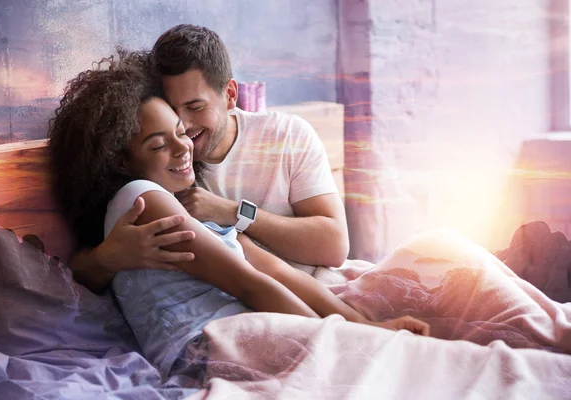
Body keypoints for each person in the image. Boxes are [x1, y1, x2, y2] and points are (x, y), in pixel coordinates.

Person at [48, 49, 429, 386]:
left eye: (183, 128)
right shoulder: (141, 200)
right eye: (160, 144)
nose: (185, 145)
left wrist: (367, 328)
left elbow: (278, 272)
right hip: (208, 346)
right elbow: (249, 284)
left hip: (242, 331)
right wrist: (350, 344)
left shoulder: (194, 200)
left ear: (229, 95)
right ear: (120, 159)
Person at [67, 24, 350, 294]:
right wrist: (108, 259)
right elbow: (81, 268)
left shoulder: (287, 135)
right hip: (241, 307)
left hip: (320, 287)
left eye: (195, 107)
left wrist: (233, 212)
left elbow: (335, 246)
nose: (184, 125)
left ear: (229, 95)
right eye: (172, 109)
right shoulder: (156, 165)